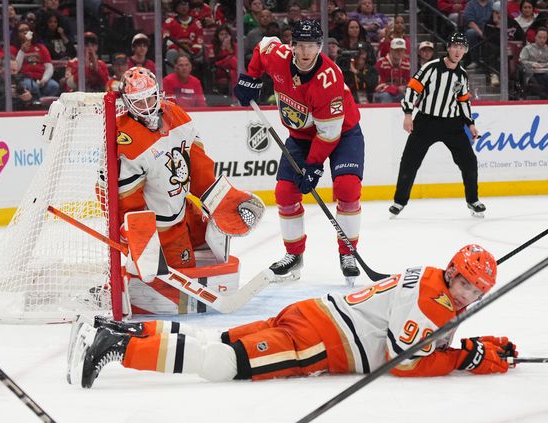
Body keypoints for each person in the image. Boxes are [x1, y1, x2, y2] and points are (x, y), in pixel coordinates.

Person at [68, 244, 516, 389]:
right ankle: (121, 347)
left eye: (477, 292)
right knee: (226, 364)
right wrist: (463, 359)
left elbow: (430, 334)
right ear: (453, 274)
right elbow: (404, 363)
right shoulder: (431, 303)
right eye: (465, 285)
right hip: (320, 341)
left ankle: (123, 328)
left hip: (313, 313)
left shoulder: (433, 279)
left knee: (223, 342)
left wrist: (476, 349)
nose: (468, 295)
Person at [234, 19, 366, 284]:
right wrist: (251, 77)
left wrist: (314, 166)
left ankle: (347, 252)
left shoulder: (328, 79)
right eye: (301, 46)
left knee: (348, 188)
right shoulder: (278, 56)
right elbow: (263, 46)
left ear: (320, 47)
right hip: (302, 135)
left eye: (312, 46)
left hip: (343, 132)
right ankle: (294, 255)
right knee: (285, 192)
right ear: (291, 46)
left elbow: (329, 133)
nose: (306, 53)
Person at [114, 66, 263, 269]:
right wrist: (135, 230)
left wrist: (220, 198)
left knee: (212, 248)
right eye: (139, 101)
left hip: (183, 208)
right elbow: (128, 196)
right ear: (127, 103)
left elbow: (198, 164)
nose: (147, 106)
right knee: (182, 273)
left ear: (158, 92)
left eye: (149, 98)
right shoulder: (124, 137)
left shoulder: (175, 113)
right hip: (160, 226)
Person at [390, 32, 485, 218]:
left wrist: (471, 124)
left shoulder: (462, 75)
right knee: (410, 161)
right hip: (426, 122)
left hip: (453, 125)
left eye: (462, 47)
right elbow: (412, 89)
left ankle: (473, 200)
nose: (458, 51)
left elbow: (464, 101)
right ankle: (399, 202)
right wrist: (408, 114)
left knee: (469, 162)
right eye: (455, 46)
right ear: (448, 48)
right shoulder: (430, 68)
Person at [373, 37, 411, 103]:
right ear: (391, 50)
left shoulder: (406, 64)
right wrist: (397, 89)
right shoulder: (381, 63)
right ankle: (385, 113)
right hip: (382, 93)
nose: (399, 52)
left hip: (400, 94)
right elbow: (378, 87)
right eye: (396, 50)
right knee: (386, 96)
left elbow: (408, 82)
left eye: (401, 50)